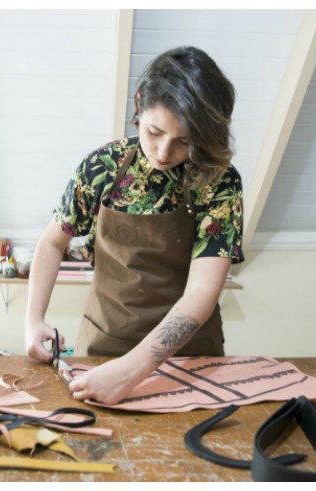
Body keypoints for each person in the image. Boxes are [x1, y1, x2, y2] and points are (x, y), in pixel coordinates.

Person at [25, 46, 243, 406]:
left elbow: (201, 292)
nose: (163, 151)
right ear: (139, 104)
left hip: (189, 354)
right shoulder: (103, 166)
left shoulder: (218, 181)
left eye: (185, 142)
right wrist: (33, 320)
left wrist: (133, 371)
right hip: (104, 343)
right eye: (154, 131)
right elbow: (52, 243)